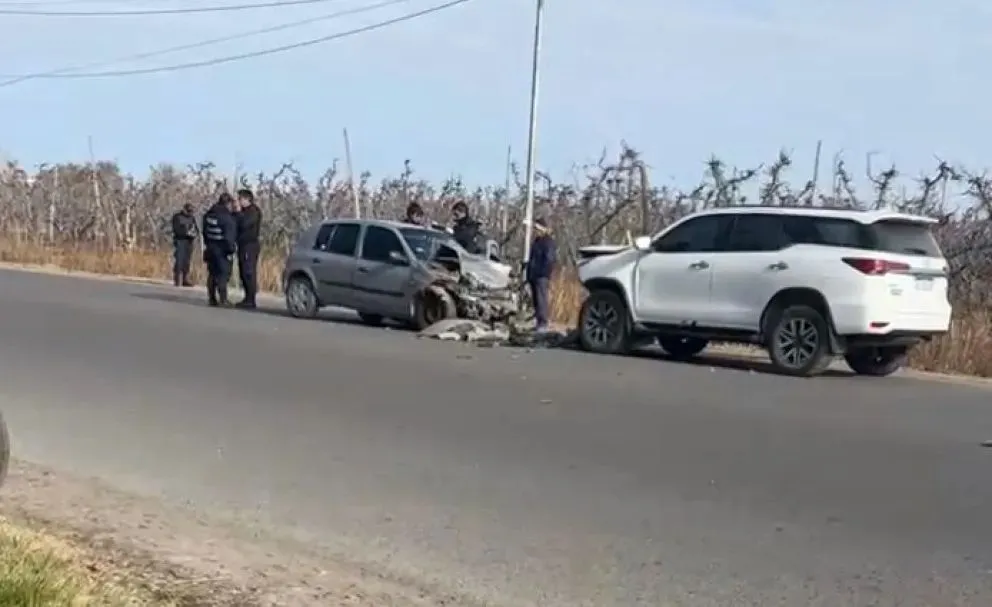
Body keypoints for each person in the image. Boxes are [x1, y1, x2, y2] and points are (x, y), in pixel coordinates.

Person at [201, 193, 238, 307]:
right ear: (228, 203)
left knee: (212, 274)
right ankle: (223, 299)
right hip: (222, 250)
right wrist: (231, 250)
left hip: (210, 247)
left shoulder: (209, 215)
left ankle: (212, 298)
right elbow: (229, 237)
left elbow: (204, 232)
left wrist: (208, 244)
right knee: (223, 274)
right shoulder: (227, 218)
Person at [525, 218, 556, 332]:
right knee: (536, 300)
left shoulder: (548, 242)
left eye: (537, 228)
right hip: (534, 275)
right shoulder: (536, 242)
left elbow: (549, 260)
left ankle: (543, 323)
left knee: (541, 299)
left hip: (542, 275)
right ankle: (538, 321)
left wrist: (543, 272)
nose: (535, 230)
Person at [234, 188, 262, 309]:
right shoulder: (243, 212)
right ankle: (246, 297)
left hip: (250, 245)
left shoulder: (253, 212)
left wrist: (239, 213)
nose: (238, 202)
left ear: (246, 199)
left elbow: (245, 224)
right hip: (242, 244)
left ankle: (251, 299)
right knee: (242, 271)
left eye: (240, 199)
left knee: (248, 271)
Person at [170, 202, 198, 287]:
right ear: (184, 209)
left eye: (191, 211)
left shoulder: (192, 218)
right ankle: (177, 278)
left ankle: (185, 278)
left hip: (189, 241)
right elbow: (176, 229)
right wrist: (186, 232)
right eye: (189, 211)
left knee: (187, 260)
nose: (190, 213)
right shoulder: (177, 217)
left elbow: (195, 228)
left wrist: (194, 233)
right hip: (180, 240)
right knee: (179, 260)